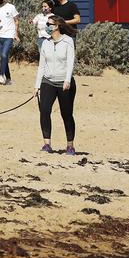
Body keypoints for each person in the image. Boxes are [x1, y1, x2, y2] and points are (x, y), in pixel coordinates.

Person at [33, 15, 77, 154]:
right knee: (44, 111)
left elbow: (70, 62)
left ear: (57, 26)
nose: (47, 25)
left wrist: (67, 80)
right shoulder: (46, 43)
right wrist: (37, 85)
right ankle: (47, 144)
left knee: (67, 114)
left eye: (49, 23)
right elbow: (41, 65)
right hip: (48, 81)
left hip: (64, 82)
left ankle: (70, 145)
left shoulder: (68, 41)